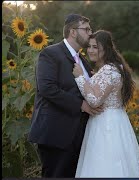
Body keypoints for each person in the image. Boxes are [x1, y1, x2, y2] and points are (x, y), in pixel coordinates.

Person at [28, 14, 104, 177]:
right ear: (73, 32)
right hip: (56, 133)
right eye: (86, 29)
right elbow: (47, 88)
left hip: (78, 135)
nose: (90, 33)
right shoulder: (50, 54)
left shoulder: (82, 60)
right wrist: (81, 105)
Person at [72, 30, 139, 177]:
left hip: (106, 125)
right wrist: (93, 79)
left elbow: (94, 100)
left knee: (104, 165)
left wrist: (80, 77)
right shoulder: (116, 67)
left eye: (95, 47)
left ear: (106, 49)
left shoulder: (108, 71)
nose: (91, 50)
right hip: (117, 120)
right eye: (89, 46)